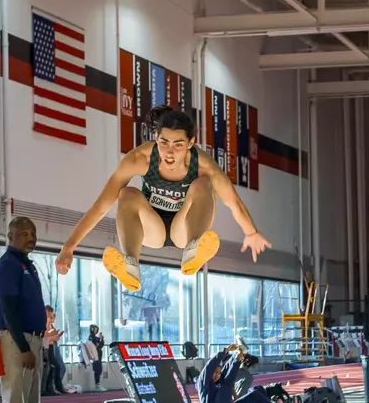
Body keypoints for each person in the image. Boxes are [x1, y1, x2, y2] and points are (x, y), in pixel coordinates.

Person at [54, 106, 272, 291]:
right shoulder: (140, 158)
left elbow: (232, 201)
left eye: (178, 145)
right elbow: (102, 205)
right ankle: (131, 264)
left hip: (183, 228)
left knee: (204, 184)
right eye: (164, 143)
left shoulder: (204, 165)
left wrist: (250, 232)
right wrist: (69, 246)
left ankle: (193, 248)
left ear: (190, 143)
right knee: (126, 193)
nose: (169, 153)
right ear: (156, 138)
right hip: (151, 230)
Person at [0, 217, 46, 403]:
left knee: (30, 400)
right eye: (24, 233)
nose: (31, 237)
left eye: (33, 233)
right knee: (16, 399)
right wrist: (23, 348)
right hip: (17, 340)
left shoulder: (26, 265)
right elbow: (8, 310)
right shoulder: (8, 265)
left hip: (33, 339)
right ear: (10, 237)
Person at [198, 345, 278, 403]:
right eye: (214, 372)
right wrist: (225, 350)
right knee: (227, 383)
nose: (217, 375)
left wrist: (236, 355)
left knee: (254, 394)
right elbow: (210, 366)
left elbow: (226, 369)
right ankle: (238, 358)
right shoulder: (204, 382)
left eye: (219, 373)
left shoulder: (220, 380)